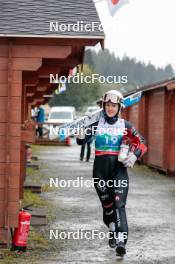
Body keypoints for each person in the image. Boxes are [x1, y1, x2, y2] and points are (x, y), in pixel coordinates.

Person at [76, 90, 147, 256]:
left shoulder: (125, 126)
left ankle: (122, 241)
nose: (110, 108)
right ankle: (112, 229)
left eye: (113, 105)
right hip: (100, 173)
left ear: (119, 107)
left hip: (119, 172)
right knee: (108, 208)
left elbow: (142, 142)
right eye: (107, 105)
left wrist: (134, 156)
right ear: (103, 106)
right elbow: (81, 141)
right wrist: (80, 132)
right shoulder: (96, 124)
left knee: (119, 205)